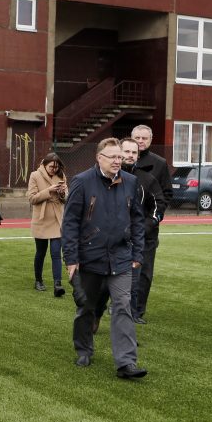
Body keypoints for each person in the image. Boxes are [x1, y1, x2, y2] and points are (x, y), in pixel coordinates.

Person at [63, 138, 147, 379]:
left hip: (121, 257)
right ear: (99, 158)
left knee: (123, 306)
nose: (118, 161)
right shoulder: (82, 182)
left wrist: (137, 253)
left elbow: (137, 220)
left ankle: (126, 363)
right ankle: (84, 348)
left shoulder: (130, 182)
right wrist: (71, 258)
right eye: (113, 157)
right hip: (89, 257)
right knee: (86, 307)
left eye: (120, 157)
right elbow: (70, 223)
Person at [91, 138, 167, 331]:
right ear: (118, 153)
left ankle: (127, 329)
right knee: (103, 286)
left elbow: (158, 206)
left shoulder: (146, 180)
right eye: (126, 152)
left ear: (138, 156)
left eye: (134, 153)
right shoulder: (104, 178)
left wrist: (144, 227)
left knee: (132, 286)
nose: (129, 156)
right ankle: (96, 313)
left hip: (136, 243)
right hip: (109, 243)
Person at [130, 125, 171, 321]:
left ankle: (138, 310)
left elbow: (166, 195)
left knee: (144, 272)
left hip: (147, 229)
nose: (140, 141)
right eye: (137, 137)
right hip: (121, 228)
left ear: (150, 140)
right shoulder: (121, 160)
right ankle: (119, 304)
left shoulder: (159, 163)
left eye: (144, 138)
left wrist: (151, 222)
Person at [28, 152, 67, 296]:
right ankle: (38, 280)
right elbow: (32, 198)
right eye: (51, 166)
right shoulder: (35, 175)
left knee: (56, 253)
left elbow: (65, 198)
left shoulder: (61, 175)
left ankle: (58, 284)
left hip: (57, 219)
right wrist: (49, 191)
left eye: (56, 167)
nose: (54, 169)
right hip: (41, 219)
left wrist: (63, 193)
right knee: (41, 252)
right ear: (44, 164)